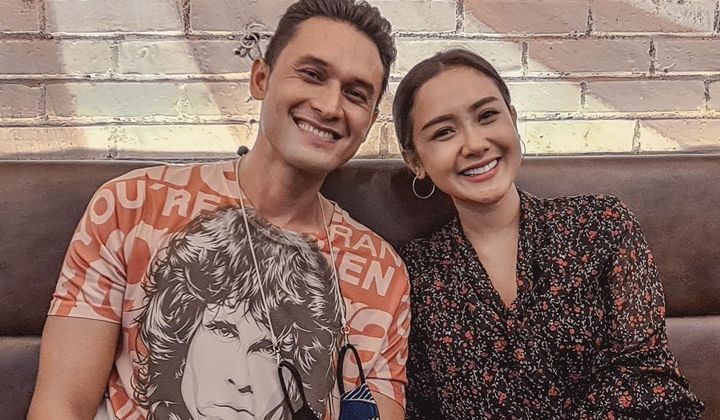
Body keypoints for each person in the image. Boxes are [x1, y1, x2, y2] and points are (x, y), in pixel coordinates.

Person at [28, 1, 410, 419]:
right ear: (261, 78)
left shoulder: (383, 272)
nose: (330, 106)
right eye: (312, 75)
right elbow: (61, 404)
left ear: (369, 120)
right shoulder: (130, 203)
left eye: (355, 94)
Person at [393, 48, 704, 419]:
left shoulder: (601, 225)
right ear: (415, 160)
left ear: (513, 120)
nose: (475, 144)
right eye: (444, 132)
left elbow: (648, 377)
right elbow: (418, 407)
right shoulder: (413, 272)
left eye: (487, 115)